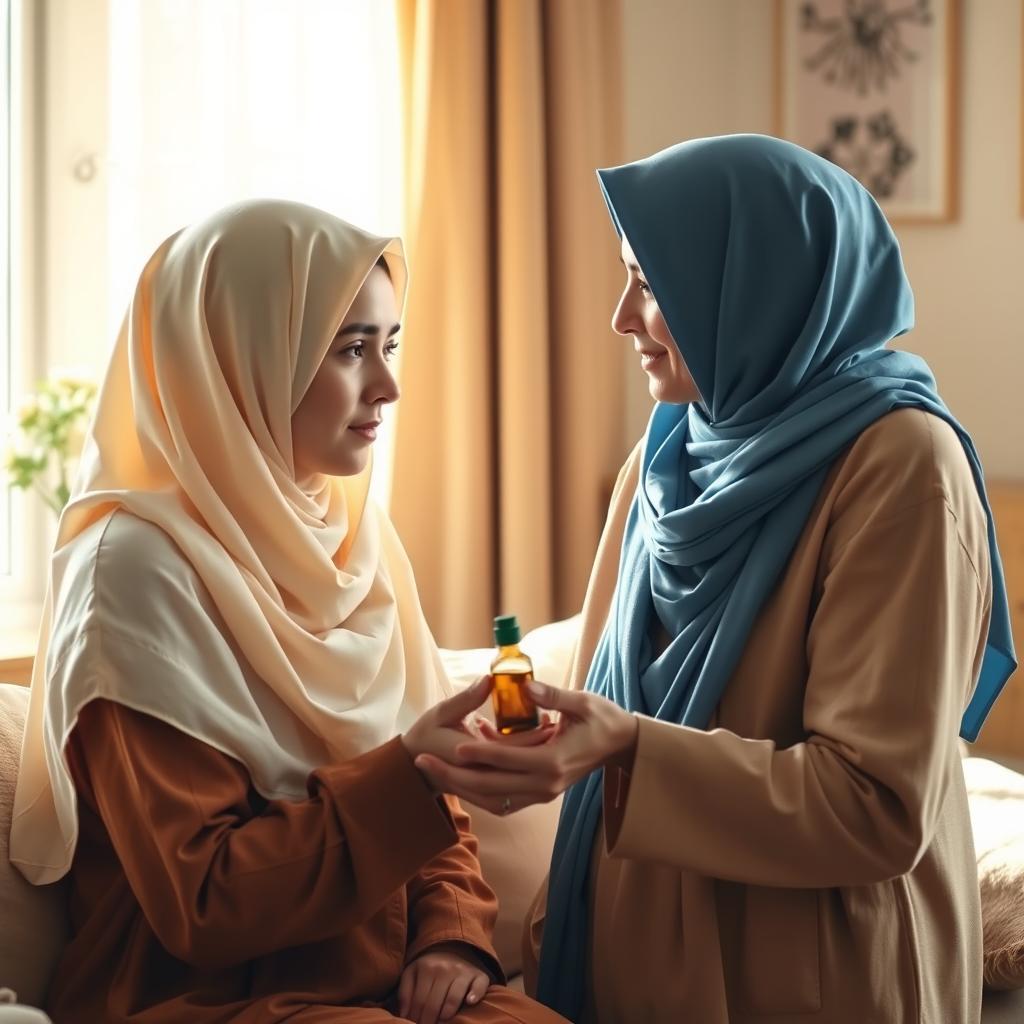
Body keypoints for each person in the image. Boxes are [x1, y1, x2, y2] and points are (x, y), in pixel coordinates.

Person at [413, 135, 1018, 1023]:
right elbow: (598, 699)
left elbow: (876, 806)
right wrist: (533, 742)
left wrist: (622, 749)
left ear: (761, 283)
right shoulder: (667, 453)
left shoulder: (902, 467)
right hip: (630, 955)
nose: (620, 317)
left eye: (650, 284)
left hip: (811, 976)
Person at [9, 200, 566, 1024]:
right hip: (202, 999)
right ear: (241, 359)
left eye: (389, 344)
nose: (389, 385)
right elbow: (202, 898)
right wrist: (410, 778)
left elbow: (434, 808)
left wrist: (449, 935)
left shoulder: (350, 540)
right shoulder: (131, 574)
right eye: (350, 349)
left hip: (376, 979)